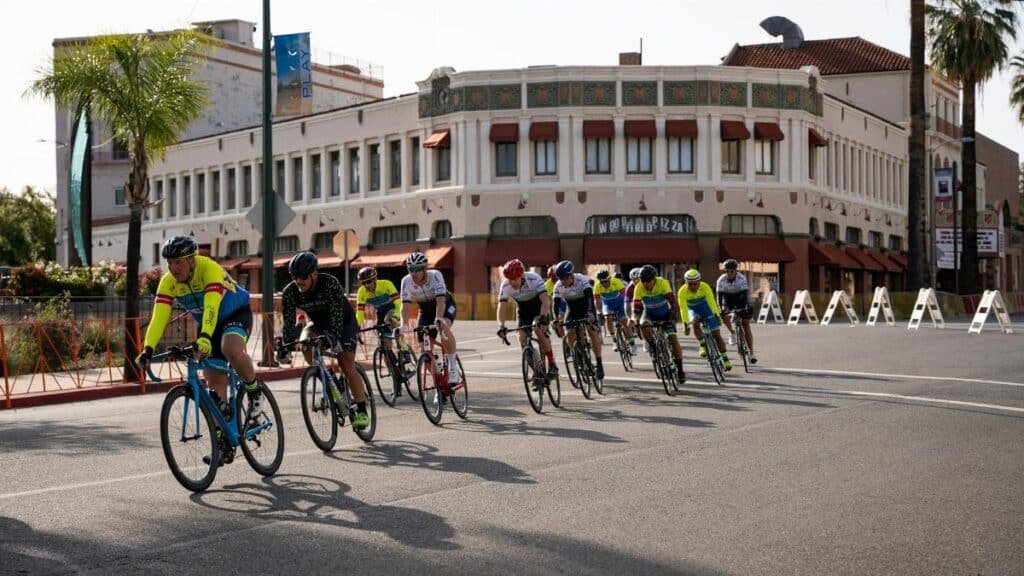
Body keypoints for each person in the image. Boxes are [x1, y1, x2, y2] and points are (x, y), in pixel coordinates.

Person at [136, 236, 262, 464]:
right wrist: (148, 349)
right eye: (170, 263)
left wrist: (204, 337)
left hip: (235, 313)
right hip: (209, 324)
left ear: (192, 260)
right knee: (213, 381)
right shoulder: (168, 283)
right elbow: (158, 318)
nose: (173, 268)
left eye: (179, 262)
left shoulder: (209, 269)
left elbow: (212, 306)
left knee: (230, 349)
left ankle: (254, 392)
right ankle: (223, 443)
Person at [277, 251, 368, 429]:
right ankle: (329, 379)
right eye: (294, 276)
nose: (298, 280)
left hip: (344, 322)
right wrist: (285, 346)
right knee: (305, 344)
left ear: (314, 274)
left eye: (303, 276)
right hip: (317, 323)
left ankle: (363, 410)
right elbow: (288, 323)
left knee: (346, 364)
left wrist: (331, 338)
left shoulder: (329, 284)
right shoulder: (290, 292)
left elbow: (336, 316)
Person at [399, 251, 460, 386]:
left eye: (416, 269)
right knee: (425, 351)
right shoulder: (406, 281)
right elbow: (405, 307)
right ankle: (439, 383)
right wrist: (402, 325)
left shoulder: (435, 275)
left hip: (444, 305)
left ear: (425, 268)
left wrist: (439, 318)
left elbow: (440, 302)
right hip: (425, 310)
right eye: (410, 269)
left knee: (443, 327)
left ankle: (453, 368)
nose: (413, 273)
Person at [496, 259, 558, 381]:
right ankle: (536, 372)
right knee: (521, 338)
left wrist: (543, 317)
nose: (512, 282)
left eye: (515, 279)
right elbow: (501, 306)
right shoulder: (506, 285)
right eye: (509, 279)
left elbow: (545, 300)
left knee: (538, 328)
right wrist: (501, 325)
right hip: (523, 311)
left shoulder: (534, 279)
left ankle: (552, 364)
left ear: (522, 275)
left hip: (538, 308)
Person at [552, 260, 605, 380]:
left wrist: (591, 313)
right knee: (569, 334)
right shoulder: (558, 286)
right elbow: (555, 305)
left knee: (592, 331)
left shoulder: (581, 279)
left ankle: (599, 363)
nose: (563, 282)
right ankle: (580, 357)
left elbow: (590, 297)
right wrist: (556, 320)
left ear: (571, 275)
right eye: (560, 279)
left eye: (565, 279)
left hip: (586, 308)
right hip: (572, 311)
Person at [631, 265, 685, 382]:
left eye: (648, 281)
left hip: (665, 314)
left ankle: (680, 370)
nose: (645, 284)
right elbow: (636, 309)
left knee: (673, 340)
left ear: (654, 279)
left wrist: (672, 317)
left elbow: (673, 302)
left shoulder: (662, 283)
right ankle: (653, 348)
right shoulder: (639, 287)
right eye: (643, 281)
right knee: (643, 323)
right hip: (649, 313)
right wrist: (636, 322)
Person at [355, 266, 413, 365]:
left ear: (375, 279)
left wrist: (396, 315)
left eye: (368, 282)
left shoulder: (386, 284)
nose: (366, 285)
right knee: (384, 342)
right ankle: (396, 371)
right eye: (364, 283)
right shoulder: (362, 292)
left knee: (389, 318)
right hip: (381, 312)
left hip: (394, 308)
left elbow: (399, 302)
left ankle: (405, 349)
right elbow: (360, 313)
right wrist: (356, 327)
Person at [677, 268, 732, 371]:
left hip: (706, 308)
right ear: (686, 283)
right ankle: (702, 344)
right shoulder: (682, 291)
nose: (693, 286)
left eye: (695, 284)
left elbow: (712, 302)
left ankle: (725, 358)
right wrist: (685, 325)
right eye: (690, 284)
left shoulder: (705, 287)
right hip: (692, 310)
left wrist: (717, 316)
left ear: (699, 281)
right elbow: (683, 309)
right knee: (694, 320)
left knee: (716, 334)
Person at [716, 259, 757, 364]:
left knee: (746, 324)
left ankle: (752, 353)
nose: (729, 273)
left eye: (731, 271)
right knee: (722, 312)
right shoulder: (721, 280)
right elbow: (719, 297)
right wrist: (720, 308)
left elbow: (745, 295)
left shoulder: (741, 278)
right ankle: (732, 332)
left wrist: (746, 306)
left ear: (735, 271)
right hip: (727, 299)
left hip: (740, 298)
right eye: (726, 271)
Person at [593, 269, 637, 354]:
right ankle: (614, 340)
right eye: (602, 282)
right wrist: (599, 311)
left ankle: (632, 343)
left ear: (609, 279)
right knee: (607, 318)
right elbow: (597, 301)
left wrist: (627, 309)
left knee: (625, 322)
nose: (604, 284)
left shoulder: (616, 282)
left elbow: (625, 297)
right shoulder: (597, 286)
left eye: (606, 281)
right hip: (608, 305)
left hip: (620, 304)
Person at [545, 264, 565, 339]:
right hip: (555, 302)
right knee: (555, 321)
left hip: (565, 301)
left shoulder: (563, 280)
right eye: (552, 278)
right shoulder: (547, 284)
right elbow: (548, 299)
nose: (554, 280)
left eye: (555, 278)